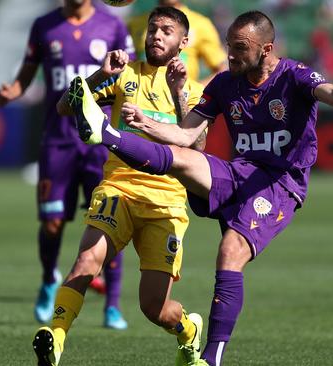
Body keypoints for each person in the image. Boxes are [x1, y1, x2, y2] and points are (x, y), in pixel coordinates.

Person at [67, 10, 333, 366]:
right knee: (182, 158)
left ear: (266, 49)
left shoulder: (295, 76)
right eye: (229, 46)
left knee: (230, 250)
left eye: (240, 48)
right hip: (241, 172)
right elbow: (185, 136)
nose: (230, 55)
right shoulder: (225, 83)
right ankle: (108, 134)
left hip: (280, 183)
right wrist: (145, 123)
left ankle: (211, 359)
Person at [33, 6, 207, 366]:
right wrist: (99, 75)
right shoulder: (124, 75)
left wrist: (177, 95)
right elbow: (66, 108)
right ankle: (57, 337)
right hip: (119, 190)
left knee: (154, 308)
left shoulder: (194, 90)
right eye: (153, 28)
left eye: (167, 30)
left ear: (183, 41)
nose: (157, 35)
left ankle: (188, 331)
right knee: (85, 261)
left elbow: (199, 150)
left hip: (166, 204)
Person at [0, 0, 133, 328]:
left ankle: (112, 305)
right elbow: (25, 76)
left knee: (110, 221)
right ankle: (47, 280)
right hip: (58, 141)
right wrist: (10, 92)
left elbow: (130, 79)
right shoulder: (44, 25)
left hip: (101, 141)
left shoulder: (112, 25)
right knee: (52, 222)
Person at [127, 0, 226, 84]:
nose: (157, 35)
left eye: (167, 31)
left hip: (180, 103)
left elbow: (222, 70)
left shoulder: (201, 24)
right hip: (142, 101)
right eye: (152, 30)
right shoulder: (134, 24)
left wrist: (195, 92)